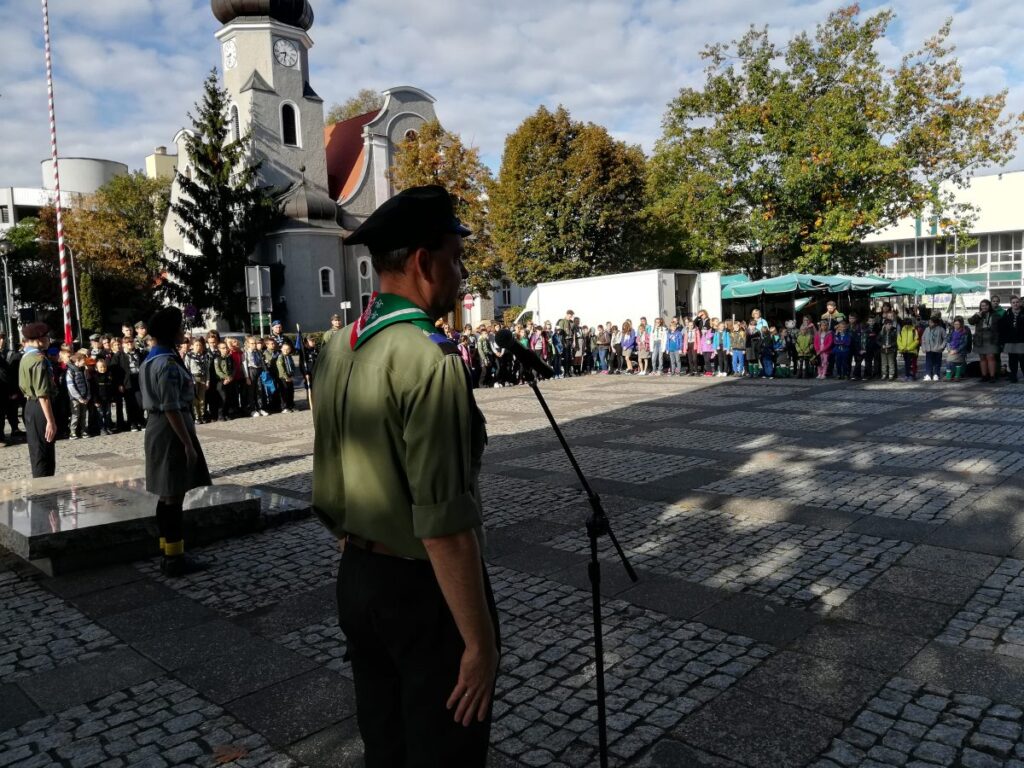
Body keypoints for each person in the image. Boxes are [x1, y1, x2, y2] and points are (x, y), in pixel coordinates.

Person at [312, 185, 499, 766]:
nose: (461, 271)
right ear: (424, 261)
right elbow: (443, 523)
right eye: (455, 255)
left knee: (386, 748)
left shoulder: (337, 345)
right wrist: (480, 641)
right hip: (423, 596)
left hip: (359, 580)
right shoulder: (428, 358)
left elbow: (333, 466)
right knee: (445, 754)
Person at [140, 307, 212, 576]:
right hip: (171, 428)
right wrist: (188, 443)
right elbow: (170, 405)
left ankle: (167, 550)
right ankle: (175, 558)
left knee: (166, 493)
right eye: (180, 327)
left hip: (159, 426)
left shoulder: (152, 358)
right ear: (171, 333)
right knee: (174, 495)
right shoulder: (167, 363)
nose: (184, 331)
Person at [19, 323, 58, 477]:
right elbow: (42, 393)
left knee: (38, 451)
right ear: (38, 339)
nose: (49, 340)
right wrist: (50, 421)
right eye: (47, 336)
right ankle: (45, 494)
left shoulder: (26, 356)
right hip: (40, 407)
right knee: (44, 455)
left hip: (30, 405)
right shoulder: (38, 359)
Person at [971, 300, 1000, 382]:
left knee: (990, 357)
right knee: (982, 357)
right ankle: (984, 376)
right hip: (980, 338)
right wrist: (977, 316)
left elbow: (1000, 326)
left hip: (991, 338)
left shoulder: (995, 315)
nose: (984, 307)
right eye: (982, 305)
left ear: (989, 306)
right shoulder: (978, 314)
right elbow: (971, 322)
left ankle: (992, 376)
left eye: (986, 305)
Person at [185, 338, 211, 423]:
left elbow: (207, 369)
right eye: (196, 345)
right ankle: (197, 417)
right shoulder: (189, 355)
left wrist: (207, 380)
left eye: (200, 345)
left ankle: (202, 415)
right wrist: (190, 380)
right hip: (193, 378)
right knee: (195, 399)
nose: (198, 347)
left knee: (202, 399)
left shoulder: (204, 356)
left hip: (203, 378)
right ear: (192, 346)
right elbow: (187, 369)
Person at [66, 352, 91, 440]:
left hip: (84, 396)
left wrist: (88, 396)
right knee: (76, 414)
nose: (85, 362)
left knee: (84, 415)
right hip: (75, 398)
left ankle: (83, 430)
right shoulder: (70, 371)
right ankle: (73, 431)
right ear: (77, 360)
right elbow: (70, 386)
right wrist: (78, 397)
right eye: (83, 360)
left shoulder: (84, 369)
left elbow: (87, 383)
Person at [1000, 296, 1024, 382]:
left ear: (1019, 303)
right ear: (1011, 304)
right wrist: (1003, 340)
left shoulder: (1023, 312)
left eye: (1017, 302)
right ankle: (1013, 376)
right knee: (1012, 359)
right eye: (1013, 302)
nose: (1015, 304)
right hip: (1010, 340)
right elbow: (1003, 328)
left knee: (1022, 359)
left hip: (1021, 340)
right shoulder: (1007, 313)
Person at [920, 315, 947, 382]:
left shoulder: (941, 329)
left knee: (937, 363)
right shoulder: (927, 329)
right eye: (929, 322)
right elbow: (923, 338)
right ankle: (928, 374)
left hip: (937, 349)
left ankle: (936, 374)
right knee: (928, 362)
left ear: (935, 323)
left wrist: (942, 347)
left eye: (931, 322)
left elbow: (945, 339)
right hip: (929, 349)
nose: (929, 324)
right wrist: (923, 347)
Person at [944, 317, 968, 381]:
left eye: (958, 324)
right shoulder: (952, 331)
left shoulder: (964, 332)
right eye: (955, 324)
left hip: (959, 351)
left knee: (957, 363)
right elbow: (948, 340)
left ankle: (956, 376)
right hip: (951, 349)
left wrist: (956, 350)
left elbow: (964, 343)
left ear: (961, 324)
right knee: (949, 361)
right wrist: (949, 349)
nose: (956, 326)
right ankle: (950, 376)